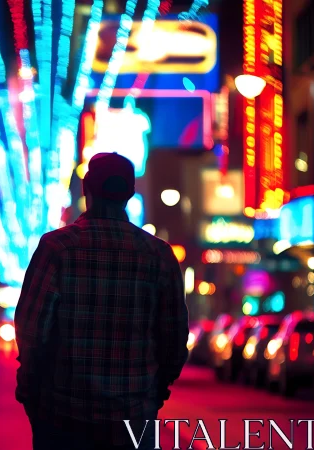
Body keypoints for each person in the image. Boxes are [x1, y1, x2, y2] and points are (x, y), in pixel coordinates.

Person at [14, 152, 189, 450]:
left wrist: (31, 386)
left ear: (86, 189)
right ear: (130, 194)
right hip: (133, 415)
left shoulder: (56, 247)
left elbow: (32, 330)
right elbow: (174, 337)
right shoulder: (158, 254)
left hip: (63, 413)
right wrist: (156, 391)